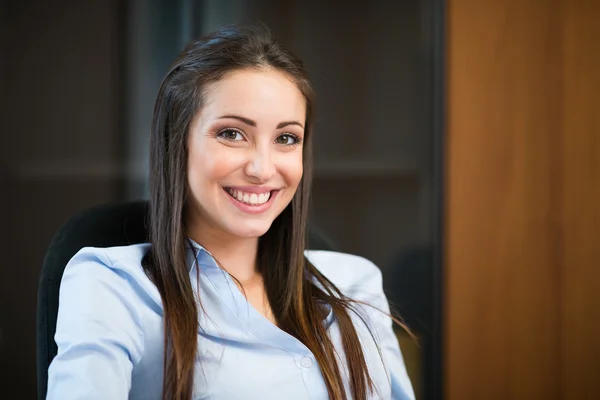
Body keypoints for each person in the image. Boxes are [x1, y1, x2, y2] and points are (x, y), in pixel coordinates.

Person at [46, 24, 415, 400]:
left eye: (286, 138)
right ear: (178, 143)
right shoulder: (114, 285)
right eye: (232, 133)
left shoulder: (355, 283)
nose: (262, 168)